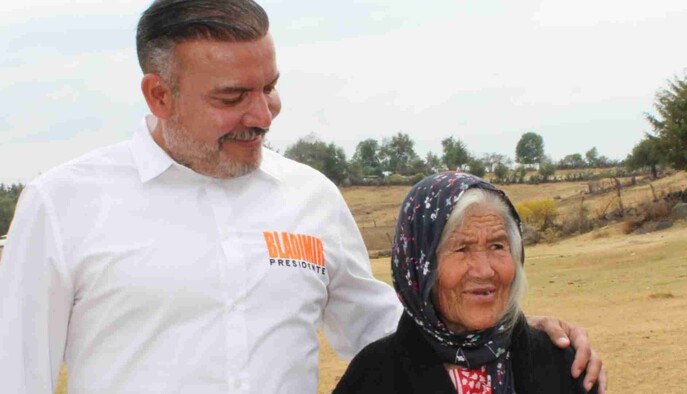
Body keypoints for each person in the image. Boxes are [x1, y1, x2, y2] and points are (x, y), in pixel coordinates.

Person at [0, 1, 604, 393]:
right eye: (232, 97)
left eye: (271, 88)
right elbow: (15, 372)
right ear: (159, 95)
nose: (262, 115)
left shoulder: (310, 196)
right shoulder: (61, 205)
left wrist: (511, 332)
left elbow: (383, 326)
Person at [334, 172, 598, 393]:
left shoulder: (562, 363)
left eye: (497, 246)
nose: (485, 270)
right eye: (461, 249)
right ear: (418, 268)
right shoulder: (371, 378)